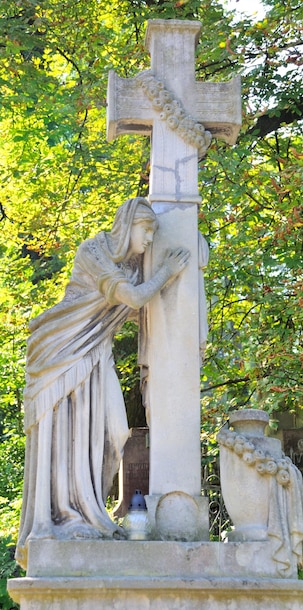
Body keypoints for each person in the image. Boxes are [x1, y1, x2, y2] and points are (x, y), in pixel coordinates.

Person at [16, 197, 189, 568]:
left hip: (98, 350)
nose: (149, 239)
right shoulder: (94, 252)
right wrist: (167, 272)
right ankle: (69, 516)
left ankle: (89, 508)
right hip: (64, 351)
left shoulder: (133, 264)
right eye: (147, 230)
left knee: (116, 432)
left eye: (153, 232)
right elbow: (136, 298)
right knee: (66, 434)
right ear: (129, 227)